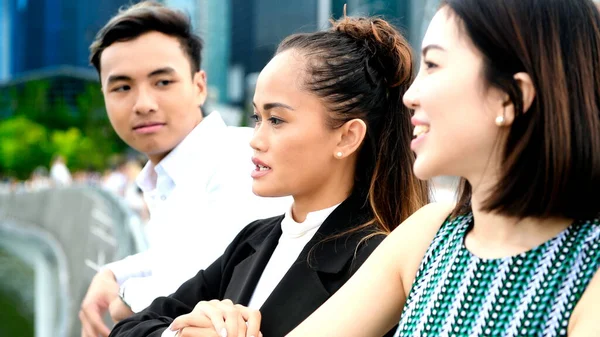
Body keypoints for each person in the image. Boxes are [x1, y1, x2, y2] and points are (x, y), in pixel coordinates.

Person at [286, 0, 600, 336]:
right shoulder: (427, 237)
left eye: (433, 64)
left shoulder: (589, 272)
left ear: (510, 97)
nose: (410, 95)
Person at [108, 14, 429, 337]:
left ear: (346, 137)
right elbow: (129, 329)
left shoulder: (376, 261)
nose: (255, 139)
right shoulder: (254, 241)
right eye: (257, 117)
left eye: (276, 120)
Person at [79, 2, 290, 337]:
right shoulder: (170, 176)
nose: (143, 103)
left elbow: (201, 288)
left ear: (199, 86)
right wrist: (113, 273)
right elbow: (176, 256)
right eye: (122, 87)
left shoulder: (241, 160)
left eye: (162, 82)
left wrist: (122, 299)